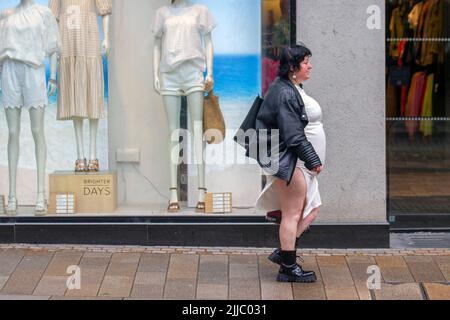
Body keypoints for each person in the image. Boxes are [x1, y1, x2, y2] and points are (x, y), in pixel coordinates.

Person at [255, 44, 326, 283]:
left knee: (310, 208)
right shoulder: (285, 92)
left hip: (293, 162)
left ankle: (285, 253)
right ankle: (287, 267)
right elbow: (293, 135)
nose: (310, 65)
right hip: (290, 162)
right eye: (306, 62)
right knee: (293, 213)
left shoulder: (290, 87)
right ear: (294, 67)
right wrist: (313, 160)